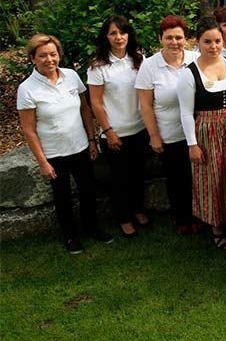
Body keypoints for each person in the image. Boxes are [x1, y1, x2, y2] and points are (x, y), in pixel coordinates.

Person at [17, 34, 114, 254]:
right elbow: (29, 130)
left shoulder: (71, 76)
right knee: (62, 198)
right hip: (54, 153)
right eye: (42, 56)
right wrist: (43, 162)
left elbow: (85, 110)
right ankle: (70, 237)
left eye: (53, 54)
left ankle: (93, 228)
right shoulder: (27, 89)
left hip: (80, 146)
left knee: (88, 191)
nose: (49, 59)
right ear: (33, 58)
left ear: (59, 54)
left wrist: (91, 140)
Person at [177, 17, 226, 249]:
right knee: (213, 179)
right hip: (207, 130)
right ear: (197, 43)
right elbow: (185, 112)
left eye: (217, 41)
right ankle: (217, 226)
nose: (213, 46)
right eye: (207, 42)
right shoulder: (189, 73)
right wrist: (192, 144)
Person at [135, 16, 199, 234]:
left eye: (179, 37)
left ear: (186, 38)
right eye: (169, 37)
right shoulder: (150, 66)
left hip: (197, 133)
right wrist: (154, 135)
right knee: (177, 178)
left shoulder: (196, 59)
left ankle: (200, 215)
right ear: (160, 38)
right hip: (170, 133)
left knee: (197, 178)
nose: (174, 42)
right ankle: (181, 217)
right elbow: (145, 105)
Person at [87, 15, 150, 238]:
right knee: (119, 179)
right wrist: (108, 131)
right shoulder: (98, 66)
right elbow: (95, 102)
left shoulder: (139, 59)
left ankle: (138, 209)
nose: (118, 37)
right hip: (116, 132)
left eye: (122, 32)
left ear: (128, 35)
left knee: (138, 175)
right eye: (113, 33)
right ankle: (124, 218)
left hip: (140, 129)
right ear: (106, 37)